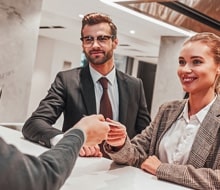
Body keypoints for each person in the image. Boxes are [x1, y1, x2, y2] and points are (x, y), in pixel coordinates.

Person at [22, 12, 151, 157]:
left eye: (102, 38)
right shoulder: (67, 80)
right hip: (81, 167)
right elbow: (34, 123)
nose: (95, 45)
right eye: (88, 39)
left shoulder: (135, 85)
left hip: (121, 171)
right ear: (83, 44)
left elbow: (145, 138)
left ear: (115, 42)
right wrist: (68, 141)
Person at [104, 32, 220, 189]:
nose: (185, 70)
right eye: (181, 62)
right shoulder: (168, 110)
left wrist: (162, 169)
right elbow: (137, 154)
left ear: (218, 67)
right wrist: (119, 144)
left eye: (196, 62)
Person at [0, 114, 110, 189]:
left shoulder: (127, 84)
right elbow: (42, 176)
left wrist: (121, 146)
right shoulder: (68, 80)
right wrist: (77, 136)